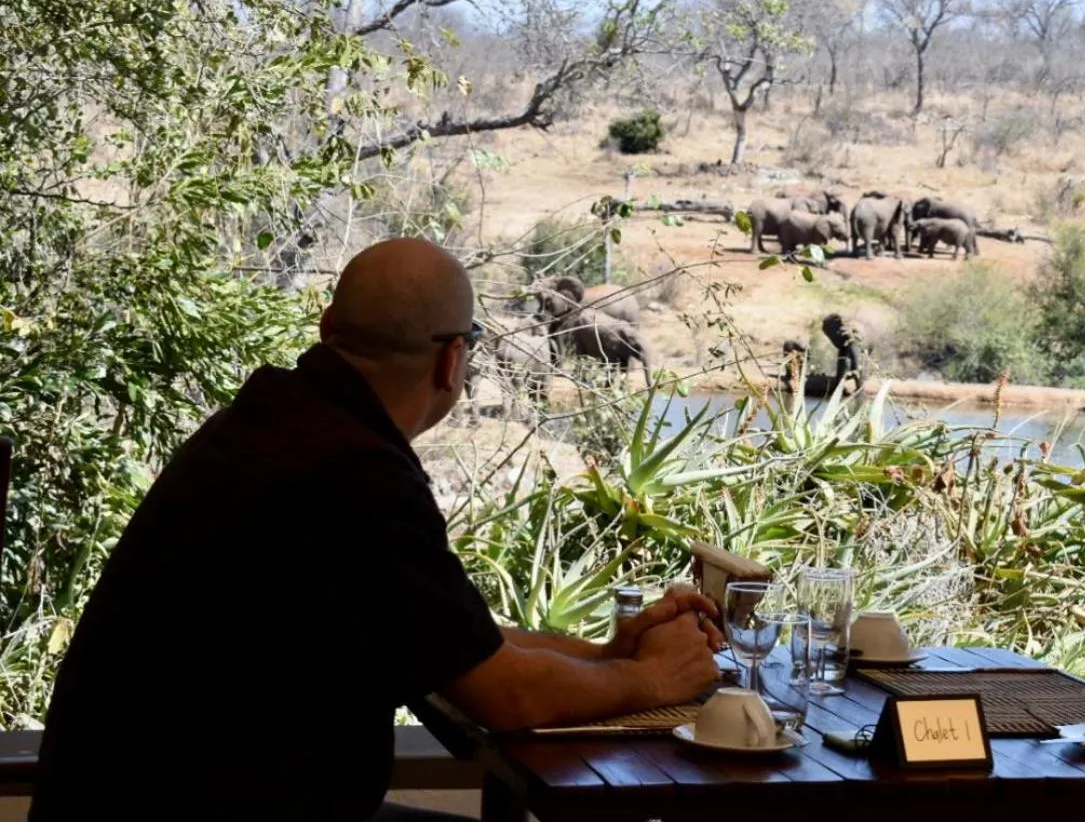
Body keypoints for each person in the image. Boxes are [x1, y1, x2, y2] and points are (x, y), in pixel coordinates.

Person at [32, 238, 721, 822]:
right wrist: (651, 680)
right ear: (453, 360)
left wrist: (603, 656)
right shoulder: (351, 470)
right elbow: (507, 696)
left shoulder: (280, 419)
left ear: (329, 326)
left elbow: (459, 644)